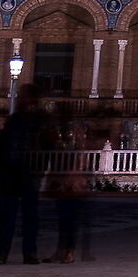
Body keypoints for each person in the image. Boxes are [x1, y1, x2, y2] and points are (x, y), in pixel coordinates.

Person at [0, 90, 47, 264]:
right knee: (10, 215)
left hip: (26, 171)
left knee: (26, 216)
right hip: (12, 171)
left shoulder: (38, 122)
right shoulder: (15, 120)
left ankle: (23, 253)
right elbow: (2, 145)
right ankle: (5, 253)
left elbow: (45, 147)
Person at [43, 112, 91, 263]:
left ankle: (70, 250)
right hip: (61, 184)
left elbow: (81, 161)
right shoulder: (59, 143)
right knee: (63, 219)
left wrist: (72, 177)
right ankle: (61, 250)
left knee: (72, 219)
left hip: (73, 185)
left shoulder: (76, 142)